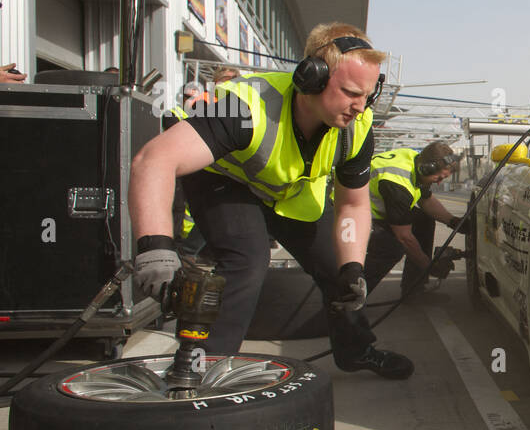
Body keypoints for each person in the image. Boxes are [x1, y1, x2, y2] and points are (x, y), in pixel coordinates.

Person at [128, 22, 413, 379]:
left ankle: (356, 351)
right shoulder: (245, 106)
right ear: (312, 78)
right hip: (225, 183)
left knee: (339, 271)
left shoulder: (357, 128)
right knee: (247, 258)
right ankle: (200, 371)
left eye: (367, 95)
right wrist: (154, 248)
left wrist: (353, 268)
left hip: (286, 194)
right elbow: (153, 160)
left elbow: (352, 205)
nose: (360, 106)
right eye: (351, 93)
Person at [346, 142, 464, 295]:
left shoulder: (415, 160)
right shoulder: (397, 183)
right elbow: (405, 238)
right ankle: (350, 296)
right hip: (350, 214)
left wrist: (453, 221)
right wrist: (428, 266)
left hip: (371, 207)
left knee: (423, 219)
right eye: (439, 177)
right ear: (426, 168)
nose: (440, 182)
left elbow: (426, 199)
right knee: (391, 248)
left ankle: (414, 289)